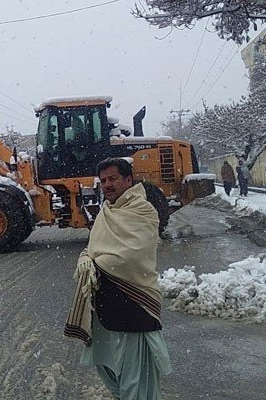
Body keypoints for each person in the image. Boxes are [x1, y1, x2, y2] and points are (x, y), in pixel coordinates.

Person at [64, 157, 172, 400]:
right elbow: (94, 247)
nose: (107, 185)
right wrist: (86, 256)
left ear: (128, 179)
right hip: (105, 307)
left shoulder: (142, 211)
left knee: (136, 381)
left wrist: (93, 261)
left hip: (134, 305)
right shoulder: (107, 211)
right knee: (108, 367)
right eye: (103, 181)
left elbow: (130, 256)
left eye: (113, 179)